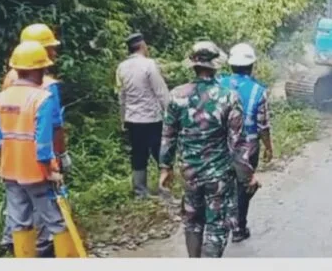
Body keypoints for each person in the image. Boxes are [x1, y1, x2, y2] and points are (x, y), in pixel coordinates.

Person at [159, 40, 257, 258]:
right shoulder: (229, 97)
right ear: (216, 65)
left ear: (193, 65)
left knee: (192, 221)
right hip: (219, 176)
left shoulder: (177, 95)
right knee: (216, 225)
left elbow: (168, 135)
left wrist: (165, 167)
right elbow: (237, 144)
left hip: (190, 174)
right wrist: (247, 176)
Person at [0, 41, 77, 258]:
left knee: (19, 222)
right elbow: (43, 142)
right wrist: (52, 170)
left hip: (9, 172)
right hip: (37, 172)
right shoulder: (41, 98)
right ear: (40, 69)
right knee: (56, 221)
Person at [219, 43, 273, 243]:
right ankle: (239, 227)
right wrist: (268, 147)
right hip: (248, 148)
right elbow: (263, 125)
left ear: (231, 65)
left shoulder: (218, 83)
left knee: (223, 183)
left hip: (220, 146)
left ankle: (222, 220)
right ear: (252, 65)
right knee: (246, 185)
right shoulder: (258, 91)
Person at [115, 32, 171, 198]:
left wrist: (123, 119)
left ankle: (140, 191)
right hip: (152, 118)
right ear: (142, 46)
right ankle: (164, 188)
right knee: (160, 153)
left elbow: (121, 96)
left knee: (138, 154)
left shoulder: (121, 68)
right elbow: (161, 92)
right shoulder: (149, 65)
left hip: (133, 119)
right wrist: (170, 113)